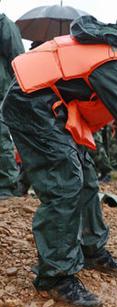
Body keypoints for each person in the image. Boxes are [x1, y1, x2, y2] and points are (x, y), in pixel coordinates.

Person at [1, 16, 117, 307]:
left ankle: (91, 250)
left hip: (54, 108)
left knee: (87, 179)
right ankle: (56, 276)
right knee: (65, 182)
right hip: (31, 104)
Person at [0, 13, 24, 199]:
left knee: (1, 138)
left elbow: (17, 59)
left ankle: (7, 187)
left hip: (2, 91)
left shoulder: (5, 25)